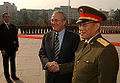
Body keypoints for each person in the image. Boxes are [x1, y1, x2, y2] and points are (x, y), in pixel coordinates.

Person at [72, 6, 119, 83]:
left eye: (84, 24)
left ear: (97, 26)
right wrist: (59, 67)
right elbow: (78, 66)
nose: (80, 28)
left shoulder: (106, 49)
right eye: (80, 25)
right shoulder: (82, 44)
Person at [38, 11, 80, 83]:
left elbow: (77, 59)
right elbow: (42, 53)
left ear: (64, 22)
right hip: (49, 78)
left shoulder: (74, 37)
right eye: (52, 20)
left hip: (66, 78)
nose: (53, 23)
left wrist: (60, 68)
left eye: (56, 20)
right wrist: (48, 64)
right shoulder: (47, 36)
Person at [0, 12, 19, 83]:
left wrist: (17, 45)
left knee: (13, 62)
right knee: (5, 63)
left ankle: (13, 75)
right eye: (6, 17)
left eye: (8, 17)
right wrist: (2, 49)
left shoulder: (13, 26)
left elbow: (15, 37)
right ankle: (7, 77)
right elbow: (0, 40)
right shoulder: (1, 27)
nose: (7, 18)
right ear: (3, 18)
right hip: (5, 49)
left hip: (12, 48)